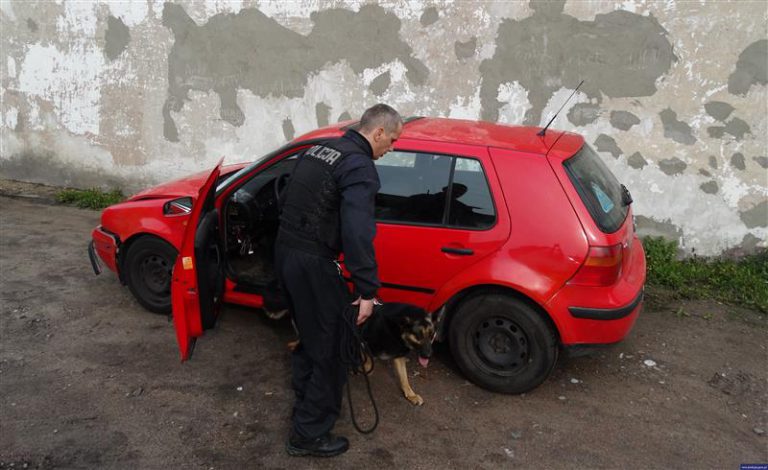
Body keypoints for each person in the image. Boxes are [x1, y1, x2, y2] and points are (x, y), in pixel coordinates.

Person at [275, 104, 403, 457]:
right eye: (392, 140)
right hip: (313, 263)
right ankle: (308, 434)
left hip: (286, 252)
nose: (392, 148)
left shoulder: (320, 150)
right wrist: (367, 290)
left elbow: (285, 196)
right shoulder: (359, 167)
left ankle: (306, 394)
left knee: (311, 334)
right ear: (377, 133)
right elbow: (358, 232)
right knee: (333, 348)